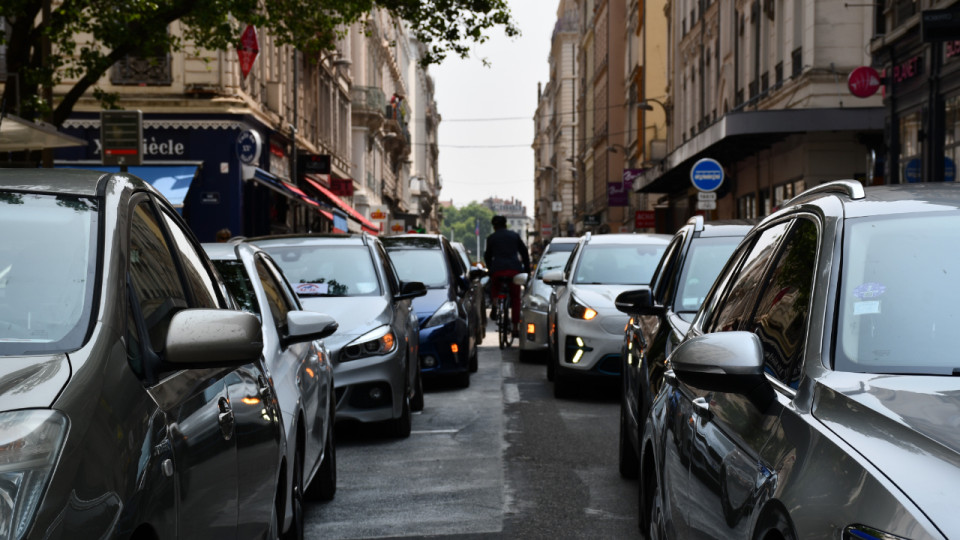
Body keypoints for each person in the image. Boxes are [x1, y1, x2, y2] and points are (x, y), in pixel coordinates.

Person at [484, 215, 530, 332]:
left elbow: (487, 256)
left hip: (498, 270)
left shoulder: (491, 238)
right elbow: (524, 253)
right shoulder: (514, 236)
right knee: (515, 298)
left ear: (494, 227)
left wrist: (490, 269)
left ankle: (494, 303)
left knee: (494, 286)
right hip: (514, 270)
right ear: (505, 225)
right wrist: (527, 270)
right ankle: (515, 327)